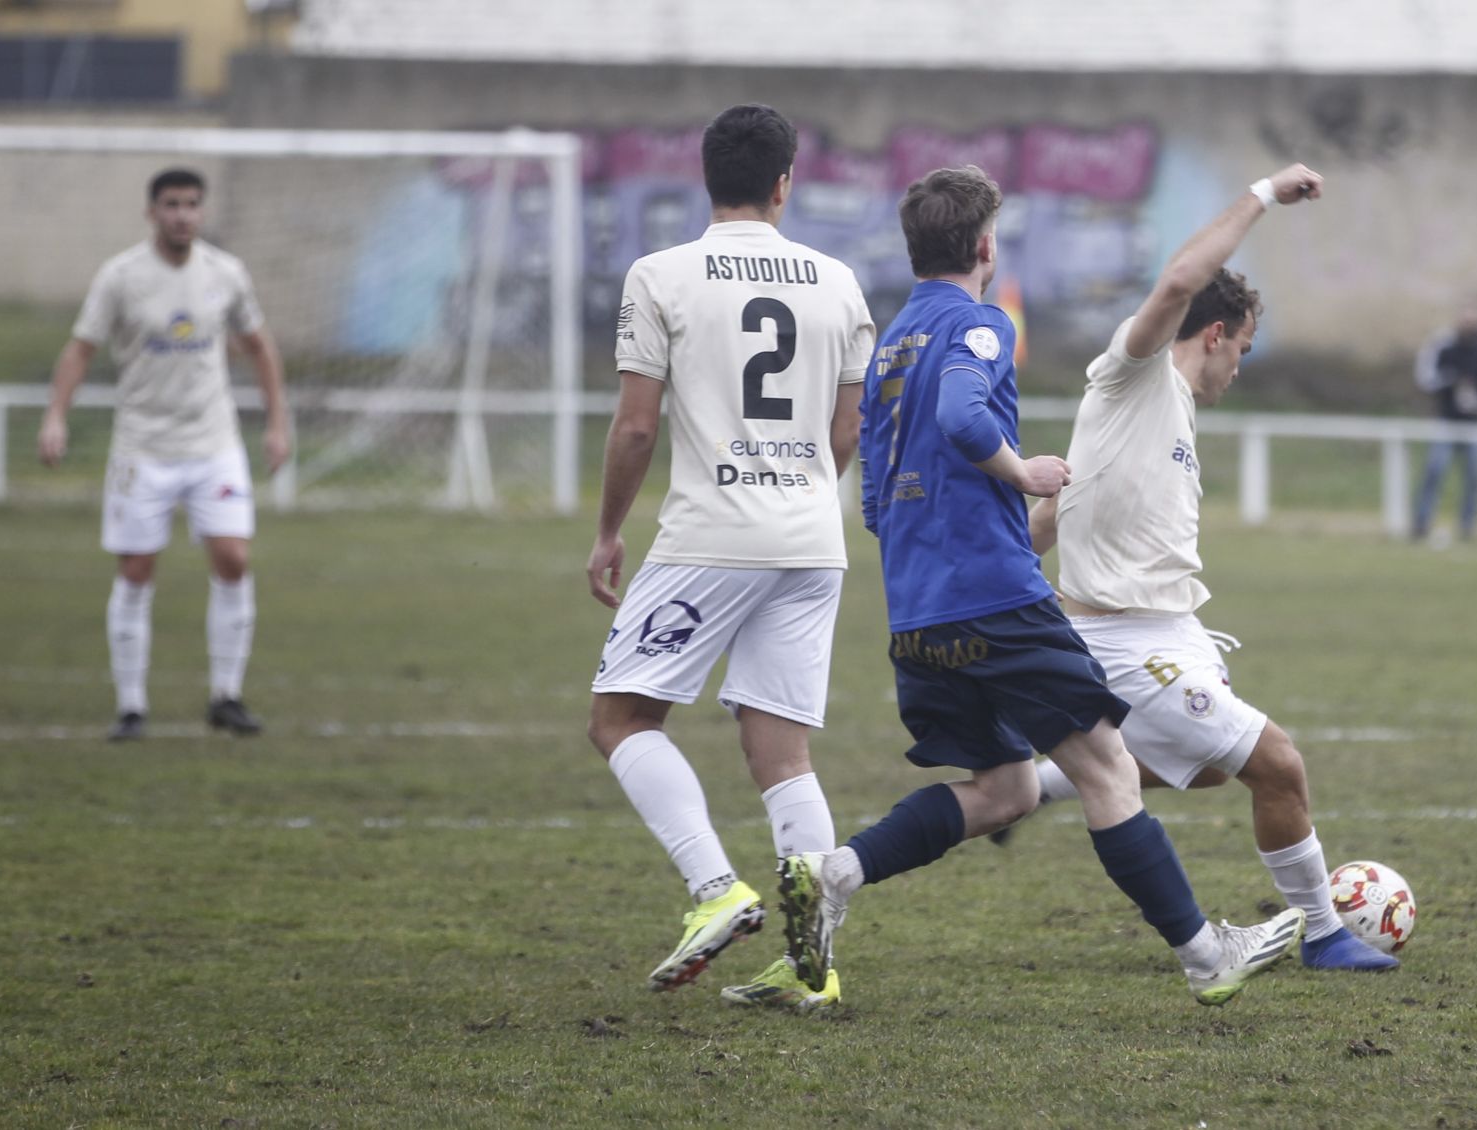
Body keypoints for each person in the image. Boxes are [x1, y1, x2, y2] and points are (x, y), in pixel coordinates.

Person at [777, 165, 1306, 1009]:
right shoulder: (979, 326)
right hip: (995, 598)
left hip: (917, 609)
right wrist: (1021, 471)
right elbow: (960, 415)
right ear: (986, 245)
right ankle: (1208, 954)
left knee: (1008, 790)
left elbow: (874, 493)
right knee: (1107, 771)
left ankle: (837, 873)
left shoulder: (889, 346)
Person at [1010, 163, 1399, 972]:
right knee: (1278, 764)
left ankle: (1036, 785)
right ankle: (1325, 934)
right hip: (1126, 637)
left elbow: (1064, 506)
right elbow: (1181, 280)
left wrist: (1010, 561)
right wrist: (1263, 193)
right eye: (1243, 350)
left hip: (1165, 629)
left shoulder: (1163, 413)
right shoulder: (1140, 370)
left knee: (1217, 773)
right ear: (1213, 333)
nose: (1239, 369)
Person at [583, 104, 874, 1010]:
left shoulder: (661, 274)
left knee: (621, 718)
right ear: (785, 182)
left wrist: (607, 531)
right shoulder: (837, 282)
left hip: (711, 533)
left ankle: (716, 891)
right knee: (783, 754)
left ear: (705, 178)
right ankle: (814, 966)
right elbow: (846, 428)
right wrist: (797, 500)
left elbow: (636, 426)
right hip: (811, 540)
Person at [38, 168, 290, 741]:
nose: (183, 214)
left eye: (193, 205)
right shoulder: (121, 276)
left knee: (233, 558)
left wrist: (277, 423)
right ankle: (131, 707)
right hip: (143, 446)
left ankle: (226, 695)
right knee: (136, 569)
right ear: (151, 211)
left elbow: (259, 347)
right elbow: (80, 350)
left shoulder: (225, 274)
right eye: (172, 204)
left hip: (213, 443)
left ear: (202, 213)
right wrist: (56, 414)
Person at [1410, 299, 1477, 541]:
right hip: (1446, 421)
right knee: (1435, 471)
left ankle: (1467, 527)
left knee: (1474, 477)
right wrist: (1450, 381)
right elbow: (1425, 377)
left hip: (1476, 425)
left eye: (1475, 321)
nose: (1470, 325)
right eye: (1466, 320)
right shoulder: (1442, 344)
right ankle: (1421, 523)